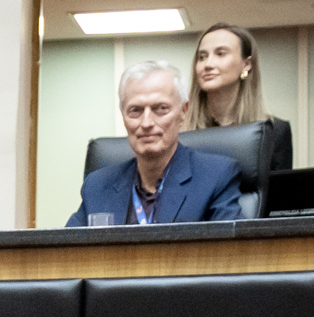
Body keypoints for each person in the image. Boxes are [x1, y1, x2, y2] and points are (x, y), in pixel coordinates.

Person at [69, 63, 241, 226]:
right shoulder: (98, 186)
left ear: (183, 111)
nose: (146, 123)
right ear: (123, 116)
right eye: (135, 110)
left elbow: (231, 246)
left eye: (161, 109)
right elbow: (67, 246)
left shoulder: (215, 176)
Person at [186, 23, 293, 170]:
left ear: (246, 64)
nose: (208, 64)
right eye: (202, 57)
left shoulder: (275, 131)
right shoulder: (179, 131)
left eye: (220, 54)